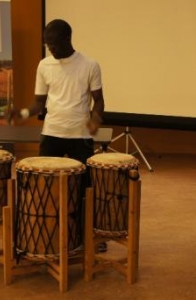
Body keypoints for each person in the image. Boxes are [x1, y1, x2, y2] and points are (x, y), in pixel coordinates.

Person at [8, 19, 106, 251]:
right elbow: (39, 104)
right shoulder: (44, 66)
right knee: (44, 186)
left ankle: (86, 234)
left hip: (79, 135)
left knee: (83, 187)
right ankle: (44, 233)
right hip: (51, 132)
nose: (50, 49)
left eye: (53, 44)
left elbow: (99, 100)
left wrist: (95, 120)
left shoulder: (90, 65)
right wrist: (21, 113)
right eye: (47, 45)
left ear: (67, 39)